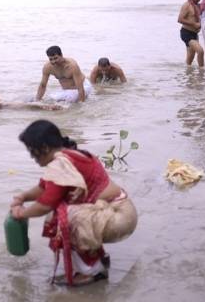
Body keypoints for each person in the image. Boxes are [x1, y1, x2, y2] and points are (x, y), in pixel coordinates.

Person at [10, 120, 137, 286]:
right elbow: (44, 187)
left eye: (32, 151)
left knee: (62, 217)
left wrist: (21, 213)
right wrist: (23, 197)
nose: (32, 157)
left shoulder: (61, 164)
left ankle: (91, 271)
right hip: (120, 212)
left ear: (45, 148)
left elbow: (46, 204)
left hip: (117, 218)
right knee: (68, 212)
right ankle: (96, 260)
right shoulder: (69, 155)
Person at [177, 0, 205, 67]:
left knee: (190, 58)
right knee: (200, 51)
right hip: (186, 32)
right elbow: (180, 19)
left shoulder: (198, 6)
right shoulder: (187, 5)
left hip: (195, 33)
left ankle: (188, 73)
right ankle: (201, 71)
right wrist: (194, 24)